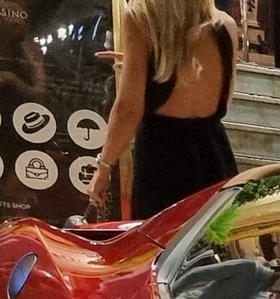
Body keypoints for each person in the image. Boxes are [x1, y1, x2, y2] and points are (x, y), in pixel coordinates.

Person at [89, 0, 242, 220]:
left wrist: (104, 168)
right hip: (214, 155)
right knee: (213, 244)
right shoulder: (226, 24)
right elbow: (223, 99)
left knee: (162, 246)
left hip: (162, 159)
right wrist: (146, 65)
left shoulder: (141, 18)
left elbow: (128, 110)